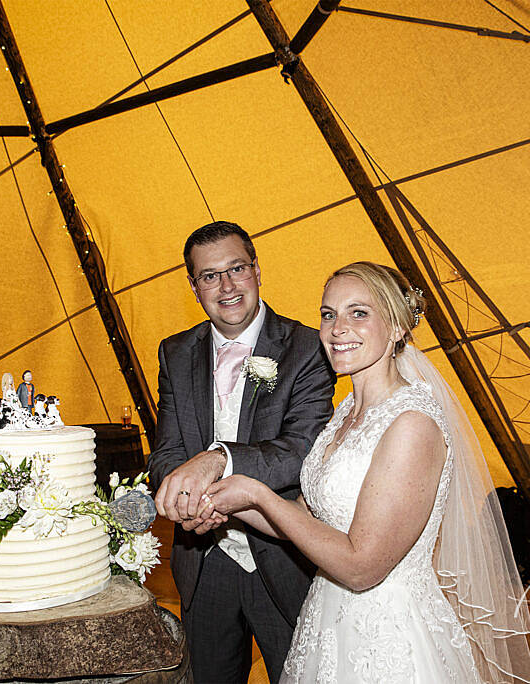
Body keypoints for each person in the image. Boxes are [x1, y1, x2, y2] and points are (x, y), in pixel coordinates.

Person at [204, 262, 530, 683]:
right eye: (328, 314)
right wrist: (223, 501)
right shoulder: (346, 413)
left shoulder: (413, 424)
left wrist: (258, 494)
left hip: (390, 637)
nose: (337, 328)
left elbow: (362, 568)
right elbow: (303, 522)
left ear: (397, 327)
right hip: (327, 620)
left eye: (359, 313)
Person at [149, 221, 335, 683]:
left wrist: (218, 459)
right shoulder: (175, 352)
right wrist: (183, 500)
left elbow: (303, 449)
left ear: (257, 270)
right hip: (203, 560)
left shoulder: (309, 346)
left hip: (282, 559)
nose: (226, 286)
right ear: (194, 287)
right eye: (209, 276)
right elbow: (167, 450)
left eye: (236, 269)